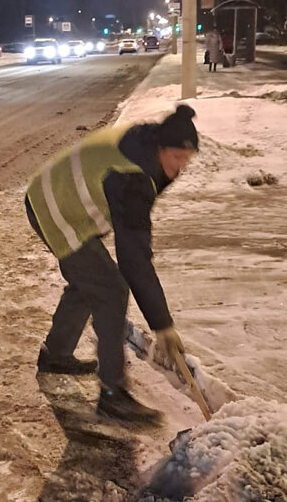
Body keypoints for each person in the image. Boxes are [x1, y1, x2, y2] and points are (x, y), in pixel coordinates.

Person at [25, 104, 199, 423]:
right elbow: (134, 259)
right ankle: (112, 394)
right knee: (111, 289)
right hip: (52, 206)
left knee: (88, 280)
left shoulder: (143, 147)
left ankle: (56, 355)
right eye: (176, 158)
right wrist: (162, 324)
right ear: (160, 148)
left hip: (53, 195)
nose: (180, 168)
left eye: (186, 161)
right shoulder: (132, 176)